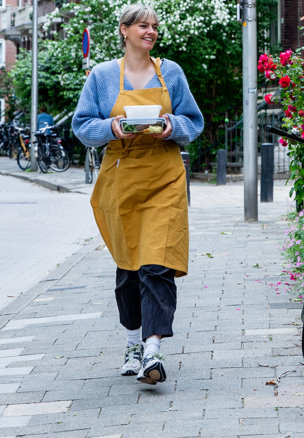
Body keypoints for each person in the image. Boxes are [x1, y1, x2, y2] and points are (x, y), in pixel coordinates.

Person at [71, 3, 204, 386]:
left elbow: (193, 122)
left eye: (154, 26)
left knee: (157, 263)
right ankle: (132, 343)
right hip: (122, 178)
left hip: (164, 177)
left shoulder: (171, 73)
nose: (150, 31)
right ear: (125, 30)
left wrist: (169, 125)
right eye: (143, 25)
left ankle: (152, 350)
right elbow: (83, 126)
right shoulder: (102, 76)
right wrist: (113, 127)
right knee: (130, 268)